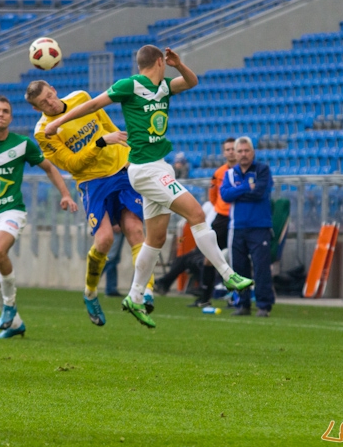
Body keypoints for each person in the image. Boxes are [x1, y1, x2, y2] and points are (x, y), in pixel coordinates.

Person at [43, 45, 254, 328]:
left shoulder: (164, 87)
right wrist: (59, 122)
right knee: (197, 215)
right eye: (166, 63)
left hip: (160, 166)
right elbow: (94, 104)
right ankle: (228, 274)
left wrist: (180, 65)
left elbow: (192, 82)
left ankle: (134, 295)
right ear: (158, 61)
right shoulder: (129, 85)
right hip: (143, 169)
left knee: (154, 239)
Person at [27, 80, 156, 326]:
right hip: (92, 182)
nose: (50, 103)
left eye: (49, 96)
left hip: (121, 171)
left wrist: (128, 153)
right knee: (105, 239)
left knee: (135, 229)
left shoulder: (81, 97)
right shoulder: (44, 131)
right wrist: (100, 143)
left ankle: (145, 291)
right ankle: (90, 293)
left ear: (54, 88)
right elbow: (73, 165)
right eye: (43, 103)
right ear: (36, 109)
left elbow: (109, 127)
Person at [0, 94, 78, 338]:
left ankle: (9, 305)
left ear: (10, 117)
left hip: (12, 210)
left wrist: (66, 194)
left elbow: (49, 167)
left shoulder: (22, 144)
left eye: (5, 111)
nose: (1, 114)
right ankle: (14, 323)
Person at [220, 137, 274, 317]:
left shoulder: (262, 170)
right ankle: (242, 304)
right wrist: (245, 187)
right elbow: (225, 196)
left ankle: (263, 305)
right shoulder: (229, 173)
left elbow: (260, 192)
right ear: (235, 153)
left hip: (260, 226)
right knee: (239, 269)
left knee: (261, 267)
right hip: (237, 227)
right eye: (240, 151)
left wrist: (238, 193)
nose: (243, 154)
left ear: (253, 152)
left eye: (246, 151)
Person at [188, 137, 237, 308]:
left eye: (233, 148)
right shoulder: (219, 173)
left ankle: (238, 299)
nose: (231, 152)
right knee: (210, 257)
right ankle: (205, 297)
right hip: (222, 218)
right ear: (224, 152)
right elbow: (213, 197)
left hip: (240, 218)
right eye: (228, 149)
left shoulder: (245, 171)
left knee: (240, 259)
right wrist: (221, 208)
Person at [101, 227, 124, 297]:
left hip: (119, 225)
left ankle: (111, 289)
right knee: (111, 258)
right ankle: (91, 282)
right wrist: (114, 223)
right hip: (115, 225)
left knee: (114, 259)